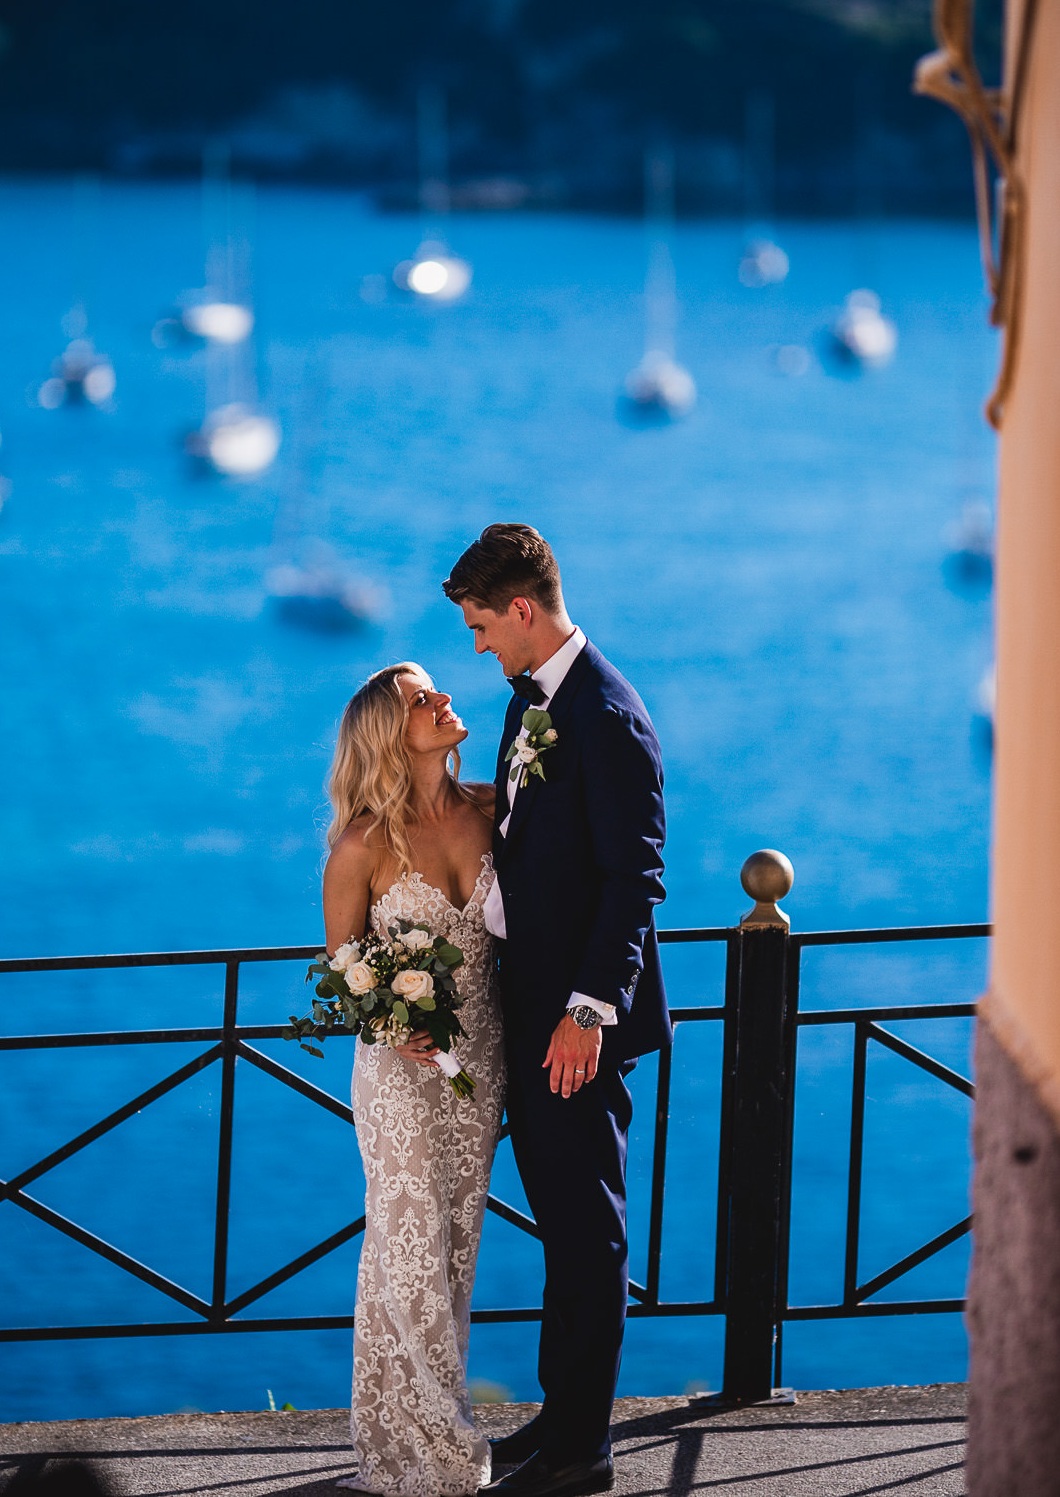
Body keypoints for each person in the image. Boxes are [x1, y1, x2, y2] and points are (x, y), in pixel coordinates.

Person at [445, 524, 671, 1497]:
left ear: (523, 609)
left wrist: (587, 1012)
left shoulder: (607, 719)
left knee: (588, 1229)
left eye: (482, 624)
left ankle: (584, 1451)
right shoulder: (533, 701)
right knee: (560, 1224)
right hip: (531, 1010)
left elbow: (634, 881)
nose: (478, 644)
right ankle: (561, 1414)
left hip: (575, 1025)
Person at [324, 661, 508, 1496]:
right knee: (405, 1250)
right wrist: (395, 1024)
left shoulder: (492, 811)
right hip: (400, 1076)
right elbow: (344, 970)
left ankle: (418, 1431)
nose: (440, 699)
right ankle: (432, 1440)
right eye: (418, 699)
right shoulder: (361, 844)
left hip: (482, 1064)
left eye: (435, 687)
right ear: (389, 735)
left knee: (456, 1243)